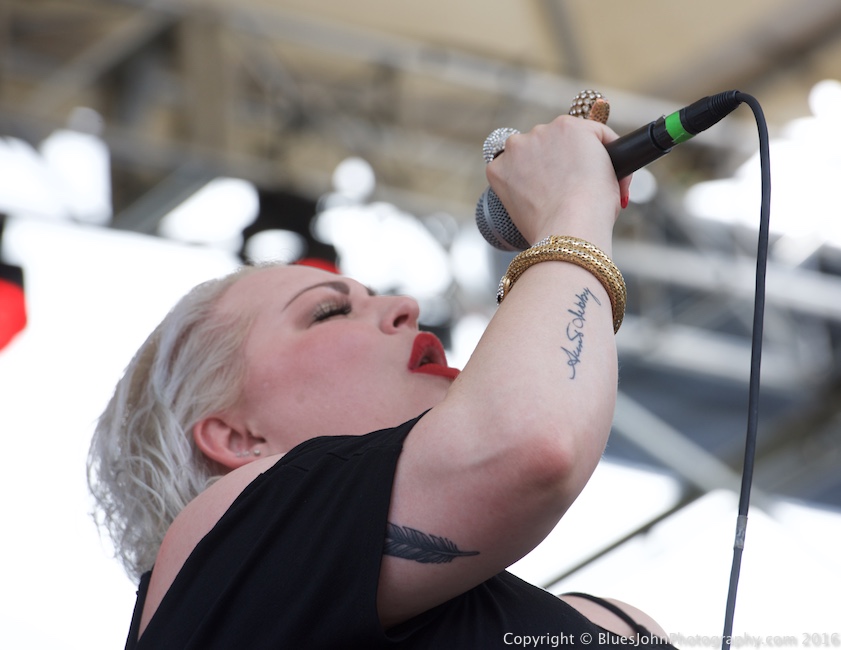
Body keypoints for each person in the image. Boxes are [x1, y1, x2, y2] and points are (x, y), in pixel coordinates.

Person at [88, 103, 677, 648]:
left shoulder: (607, 624)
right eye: (330, 310)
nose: (404, 307)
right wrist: (570, 208)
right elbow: (530, 441)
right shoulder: (216, 550)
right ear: (237, 438)